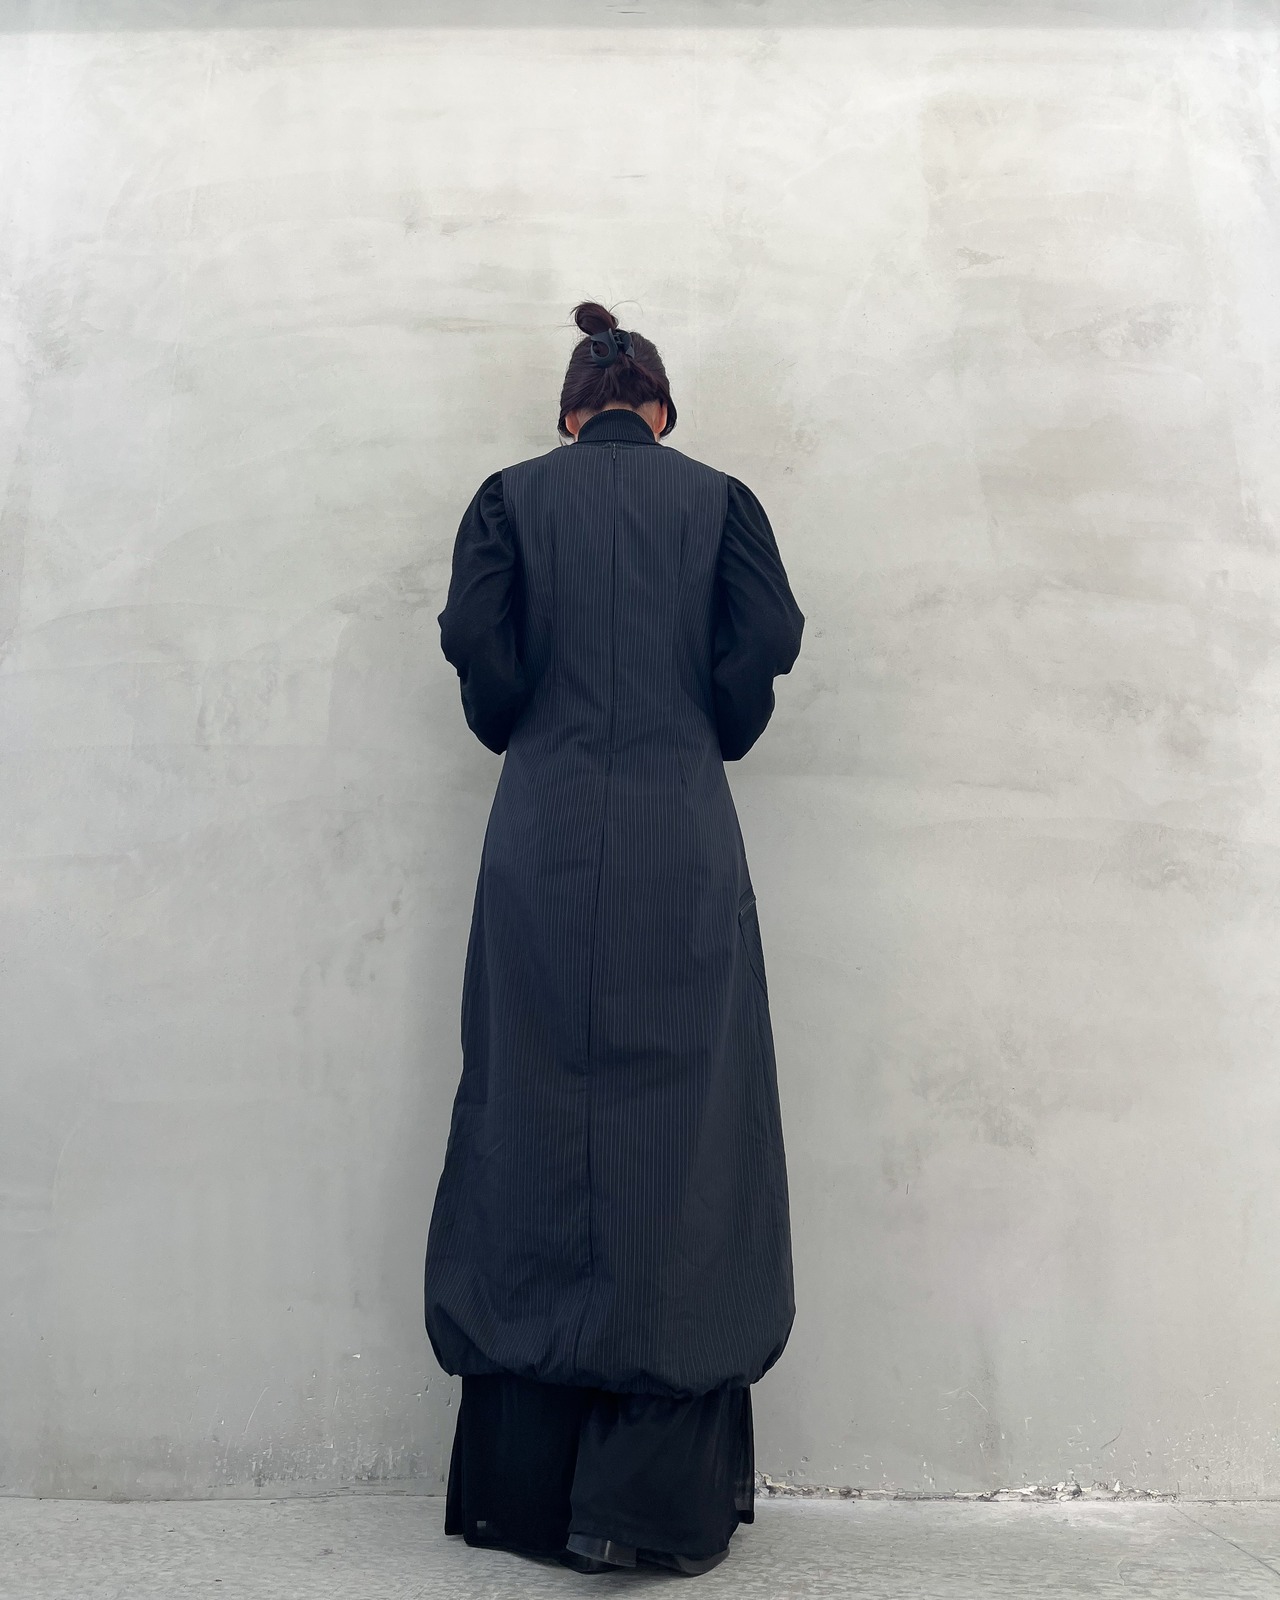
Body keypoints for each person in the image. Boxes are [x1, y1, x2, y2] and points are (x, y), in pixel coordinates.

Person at [424, 301, 805, 1576]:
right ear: (660, 409)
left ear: (568, 414)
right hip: (677, 840)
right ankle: (648, 1501)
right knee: (685, 1138)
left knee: (527, 1117)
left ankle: (526, 1494)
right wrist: (709, 720)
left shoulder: (508, 498)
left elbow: (473, 640)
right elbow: (768, 635)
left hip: (540, 841)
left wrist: (518, 715)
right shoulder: (720, 501)